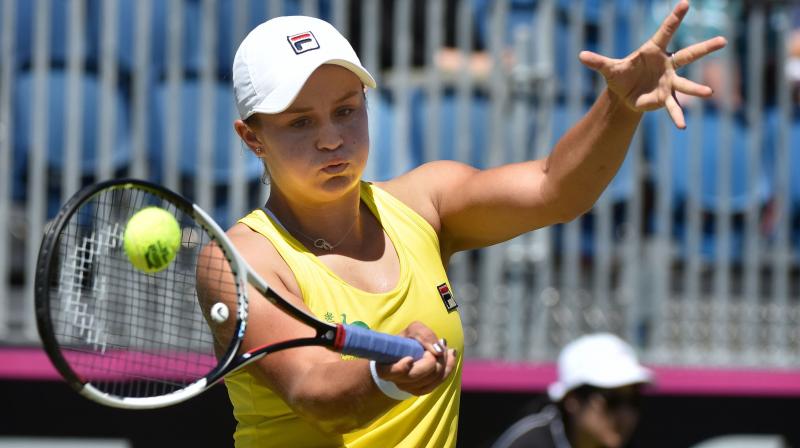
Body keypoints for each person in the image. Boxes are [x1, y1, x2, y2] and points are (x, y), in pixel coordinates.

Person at [197, 2, 725, 446]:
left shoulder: (426, 202)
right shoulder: (240, 259)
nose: (332, 138)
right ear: (252, 138)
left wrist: (619, 106)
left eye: (346, 110)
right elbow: (314, 392)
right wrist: (385, 374)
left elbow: (554, 188)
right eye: (300, 122)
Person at [491, 333, 654, 448]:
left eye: (634, 401)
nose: (626, 415)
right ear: (572, 399)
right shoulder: (530, 443)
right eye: (613, 401)